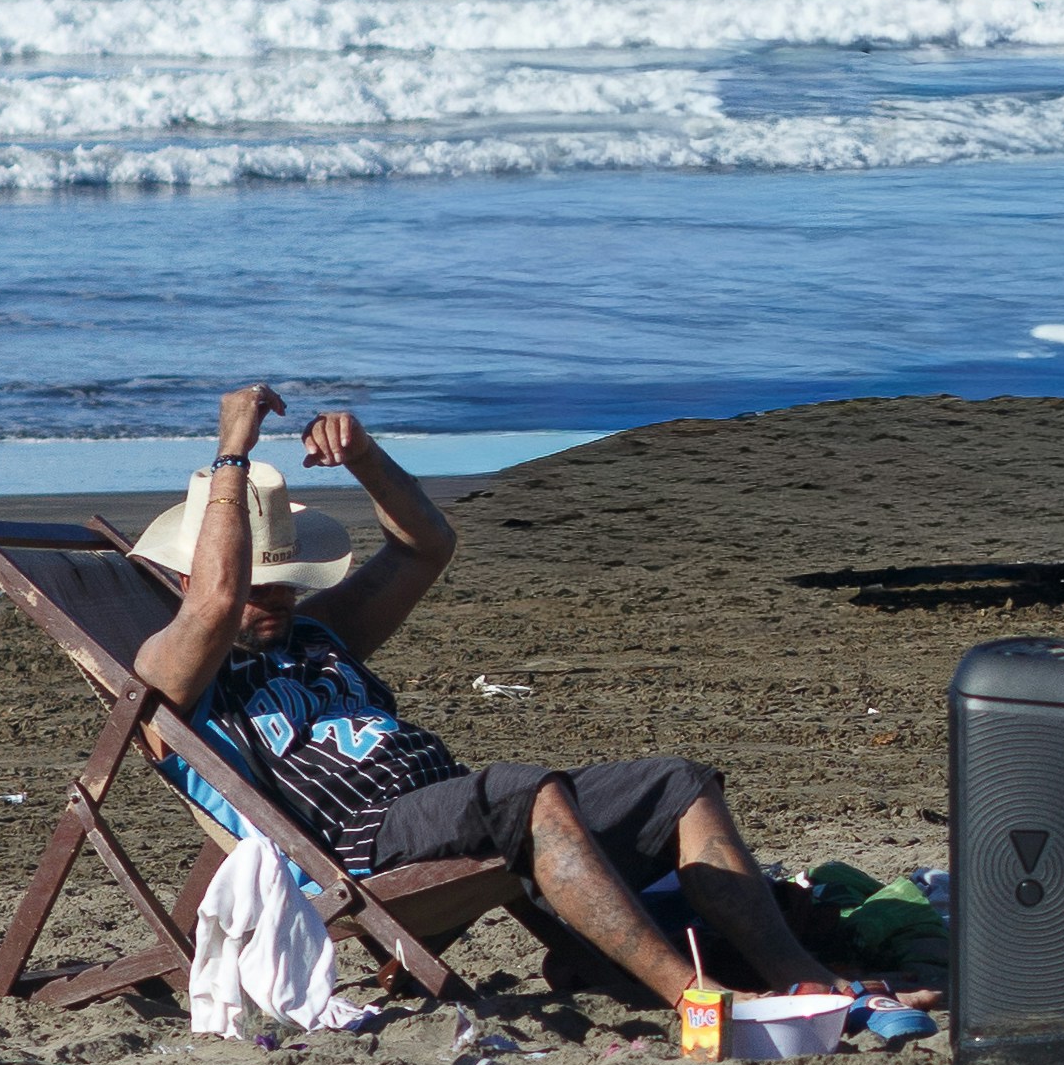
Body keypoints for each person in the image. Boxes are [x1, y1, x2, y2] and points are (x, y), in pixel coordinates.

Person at [130, 383, 861, 1015]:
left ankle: (799, 979)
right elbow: (216, 604)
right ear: (191, 578)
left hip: (448, 805)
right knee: (522, 793)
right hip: (358, 840)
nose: (276, 594)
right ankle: (697, 1000)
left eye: (285, 576)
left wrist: (364, 457)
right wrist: (234, 444)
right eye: (258, 579)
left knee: (678, 782)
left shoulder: (319, 634)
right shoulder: (176, 675)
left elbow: (426, 545)